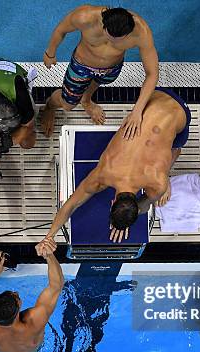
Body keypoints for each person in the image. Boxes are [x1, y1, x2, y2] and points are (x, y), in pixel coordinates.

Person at [37, 87, 190, 250]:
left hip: (169, 104)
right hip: (156, 99)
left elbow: (72, 204)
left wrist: (127, 215)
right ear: (112, 203)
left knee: (174, 149)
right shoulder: (107, 173)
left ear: (113, 203)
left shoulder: (158, 182)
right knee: (168, 156)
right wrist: (49, 236)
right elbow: (70, 205)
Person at [40, 6, 159, 139]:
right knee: (67, 105)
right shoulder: (85, 17)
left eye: (119, 40)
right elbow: (61, 30)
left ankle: (86, 101)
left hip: (111, 69)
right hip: (81, 67)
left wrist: (137, 111)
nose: (113, 42)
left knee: (95, 85)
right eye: (110, 36)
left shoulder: (141, 32)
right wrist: (50, 53)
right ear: (104, 24)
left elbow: (152, 74)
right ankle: (49, 106)